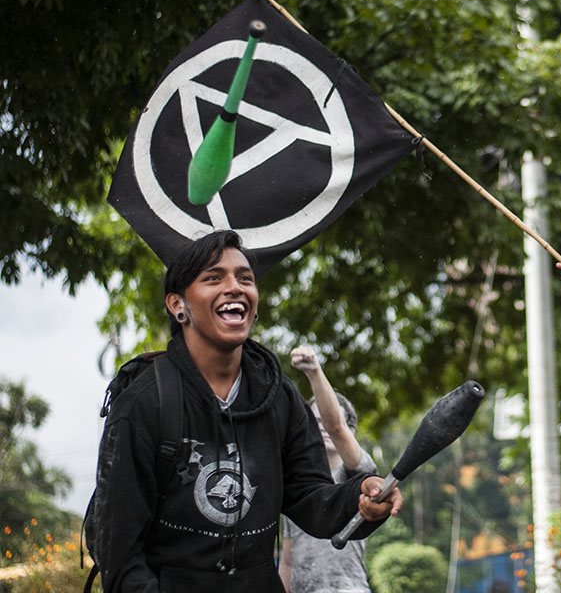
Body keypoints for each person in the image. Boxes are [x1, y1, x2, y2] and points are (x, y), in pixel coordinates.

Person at [91, 230, 402, 592]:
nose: (235, 287)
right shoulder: (145, 403)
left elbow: (311, 498)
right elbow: (120, 554)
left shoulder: (278, 396)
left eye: (245, 278)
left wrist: (359, 496)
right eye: (213, 278)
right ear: (178, 306)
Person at [278, 345, 377, 593]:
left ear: (351, 431)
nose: (322, 427)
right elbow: (287, 559)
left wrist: (314, 372)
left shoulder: (359, 474)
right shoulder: (296, 485)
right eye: (315, 422)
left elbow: (336, 428)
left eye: (326, 419)